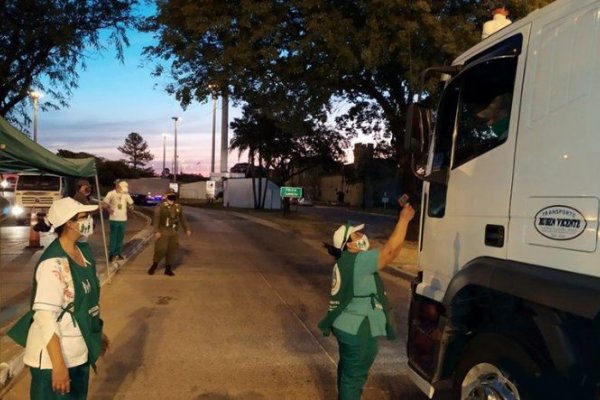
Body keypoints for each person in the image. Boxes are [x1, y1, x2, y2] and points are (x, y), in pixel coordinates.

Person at [7, 197, 110, 399]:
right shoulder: (53, 264)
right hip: (53, 359)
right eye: (84, 216)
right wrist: (59, 366)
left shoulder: (83, 252)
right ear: (69, 223)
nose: (89, 220)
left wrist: (97, 333)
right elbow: (45, 317)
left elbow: (87, 302)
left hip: (79, 352)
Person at [319, 197, 415, 400]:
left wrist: (402, 225)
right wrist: (404, 220)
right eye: (357, 234)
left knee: (347, 374)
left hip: (346, 326)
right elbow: (389, 252)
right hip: (358, 330)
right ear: (349, 245)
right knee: (354, 380)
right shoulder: (357, 261)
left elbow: (393, 252)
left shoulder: (345, 260)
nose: (363, 235)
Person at [147, 189, 191, 276]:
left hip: (173, 231)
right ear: (166, 197)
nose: (171, 199)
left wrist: (187, 229)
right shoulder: (160, 206)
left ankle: (168, 269)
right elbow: (156, 218)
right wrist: (156, 231)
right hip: (163, 230)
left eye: (173, 196)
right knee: (161, 249)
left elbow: (183, 218)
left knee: (172, 250)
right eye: (169, 196)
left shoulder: (178, 207)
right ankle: (154, 265)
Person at [103, 180, 134, 262]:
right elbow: (104, 204)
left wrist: (131, 207)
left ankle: (119, 253)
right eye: (121, 188)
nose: (123, 190)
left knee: (120, 237)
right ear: (118, 186)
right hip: (114, 219)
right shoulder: (111, 193)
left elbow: (131, 203)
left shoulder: (126, 194)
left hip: (123, 219)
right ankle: (111, 253)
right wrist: (109, 209)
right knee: (113, 237)